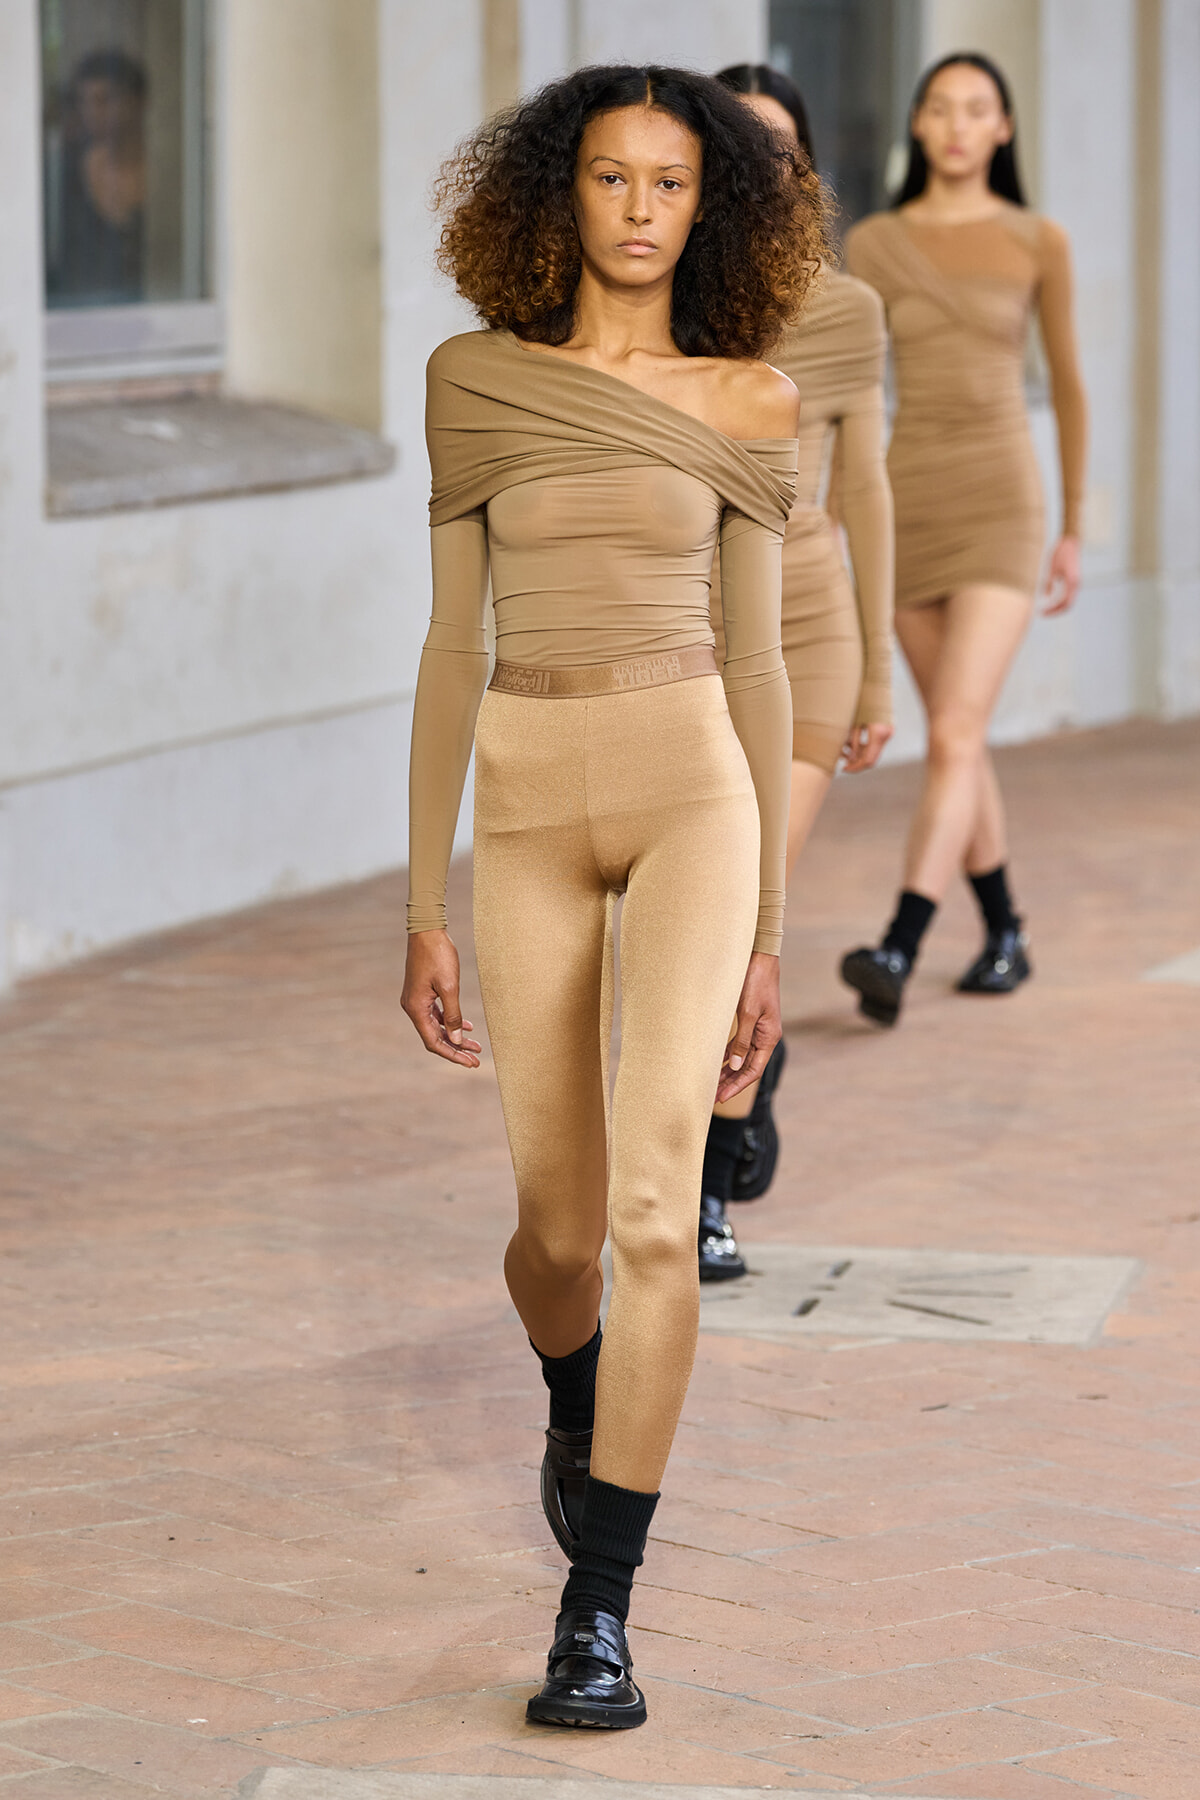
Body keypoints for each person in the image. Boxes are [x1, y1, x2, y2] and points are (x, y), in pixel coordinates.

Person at [401, 67, 827, 1728]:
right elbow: (448, 645)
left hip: (695, 793)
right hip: (523, 795)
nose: (641, 210)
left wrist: (775, 932)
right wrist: (417, 901)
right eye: (609, 178)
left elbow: (767, 669)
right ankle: (575, 1390)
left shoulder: (751, 401)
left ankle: (600, 1606)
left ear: (706, 205)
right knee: (562, 1236)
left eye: (669, 183)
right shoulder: (472, 383)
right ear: (553, 196)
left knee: (659, 1211)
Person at [838, 52, 1087, 1026]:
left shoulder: (1038, 239)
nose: (954, 124)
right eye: (937, 107)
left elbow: (1066, 384)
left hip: (1000, 502)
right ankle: (1007, 930)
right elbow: (851, 393)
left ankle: (899, 944)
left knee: (950, 730)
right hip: (906, 504)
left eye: (975, 109)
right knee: (961, 737)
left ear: (1003, 129)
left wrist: (1073, 526)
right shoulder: (873, 244)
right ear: (917, 126)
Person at [696, 64, 895, 1279]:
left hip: (811, 633)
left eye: (780, 148)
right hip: (687, 643)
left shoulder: (847, 308)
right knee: (699, 922)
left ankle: (705, 1192)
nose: (761, 166)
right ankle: (751, 1071)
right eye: (736, 145)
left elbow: (864, 482)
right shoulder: (663, 301)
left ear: (805, 167)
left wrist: (875, 674)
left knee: (741, 902)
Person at [50, 50, 148, 304]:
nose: (92, 112)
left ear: (137, 102)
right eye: (85, 102)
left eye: (105, 100)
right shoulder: (64, 171)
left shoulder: (169, 173)